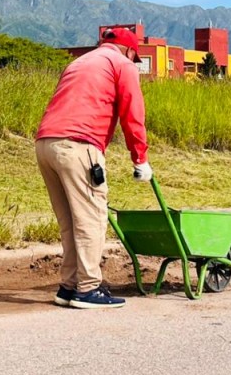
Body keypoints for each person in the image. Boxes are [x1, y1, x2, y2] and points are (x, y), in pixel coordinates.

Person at [35, 26, 152, 309]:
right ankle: (87, 289)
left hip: (45, 144)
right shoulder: (122, 64)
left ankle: (69, 286)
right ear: (129, 50)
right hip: (79, 145)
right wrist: (141, 160)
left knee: (70, 222)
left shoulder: (78, 62)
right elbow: (132, 114)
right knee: (91, 219)